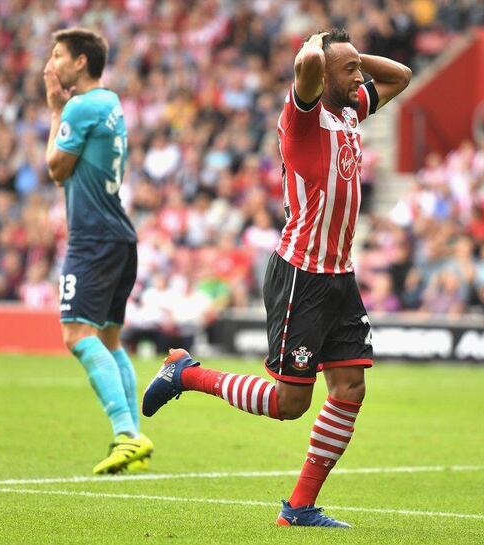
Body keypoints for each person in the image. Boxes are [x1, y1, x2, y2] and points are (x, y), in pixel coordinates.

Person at [142, 29, 412, 527]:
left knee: (350, 387)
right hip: (300, 274)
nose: (359, 77)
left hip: (339, 275)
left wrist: (350, 58)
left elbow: (401, 75)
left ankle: (299, 508)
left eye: (357, 70)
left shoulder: (352, 108)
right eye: (348, 70)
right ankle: (186, 373)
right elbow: (307, 66)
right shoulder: (301, 118)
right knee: (290, 403)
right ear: (323, 75)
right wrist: (319, 51)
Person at [43, 28, 152, 474]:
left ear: (81, 62)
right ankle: (134, 439)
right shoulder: (110, 102)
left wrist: (54, 111)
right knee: (109, 338)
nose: (51, 65)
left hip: (92, 238)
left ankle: (127, 434)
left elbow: (55, 168)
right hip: (119, 234)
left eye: (57, 56)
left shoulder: (80, 105)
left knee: (75, 334)